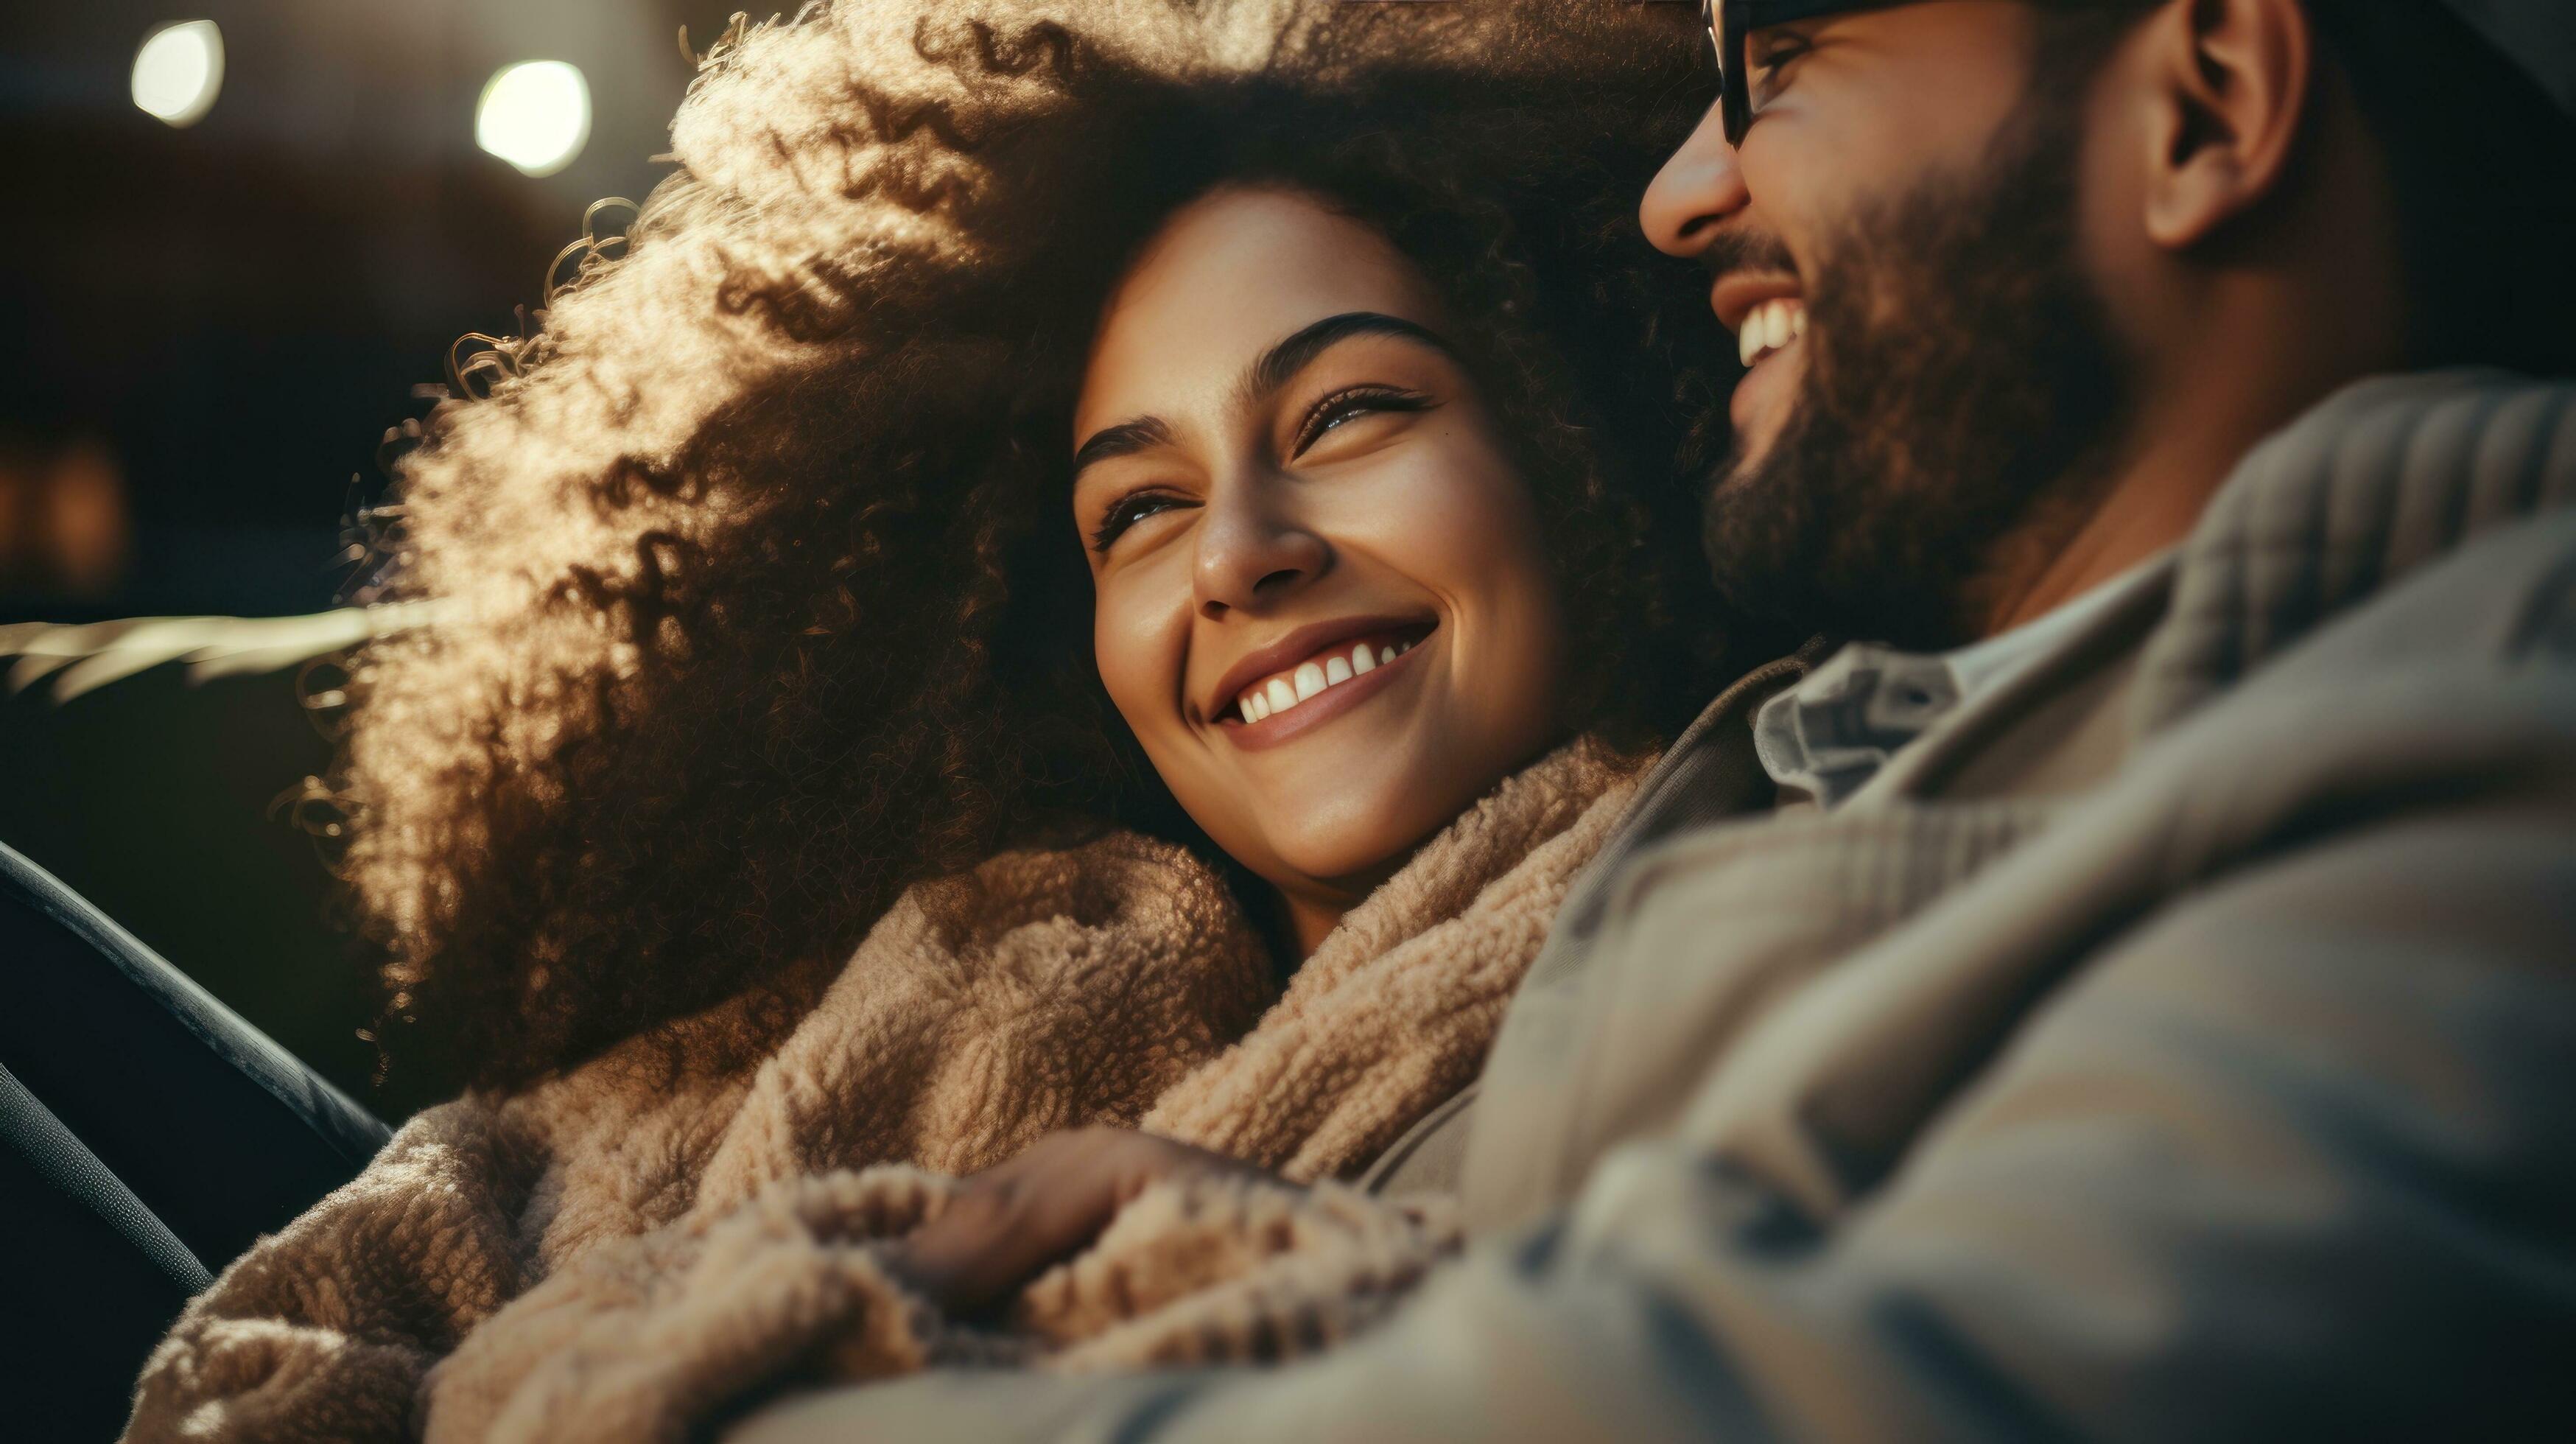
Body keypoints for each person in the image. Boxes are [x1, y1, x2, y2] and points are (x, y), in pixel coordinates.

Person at [722, 0, 2576, 1437]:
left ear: (2209, 104)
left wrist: (745, 1395)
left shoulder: (2501, 710)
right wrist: (1312, 1241)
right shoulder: (1814, 758)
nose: (1679, 190)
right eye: (1136, 506)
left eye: (1778, 56)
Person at [120, 5, 1754, 1440]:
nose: (1240, 552)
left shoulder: (1756, 914)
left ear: (1579, 432)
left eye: (1347, 411)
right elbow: (391, 1261)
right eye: (1138, 510)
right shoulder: (973, 950)